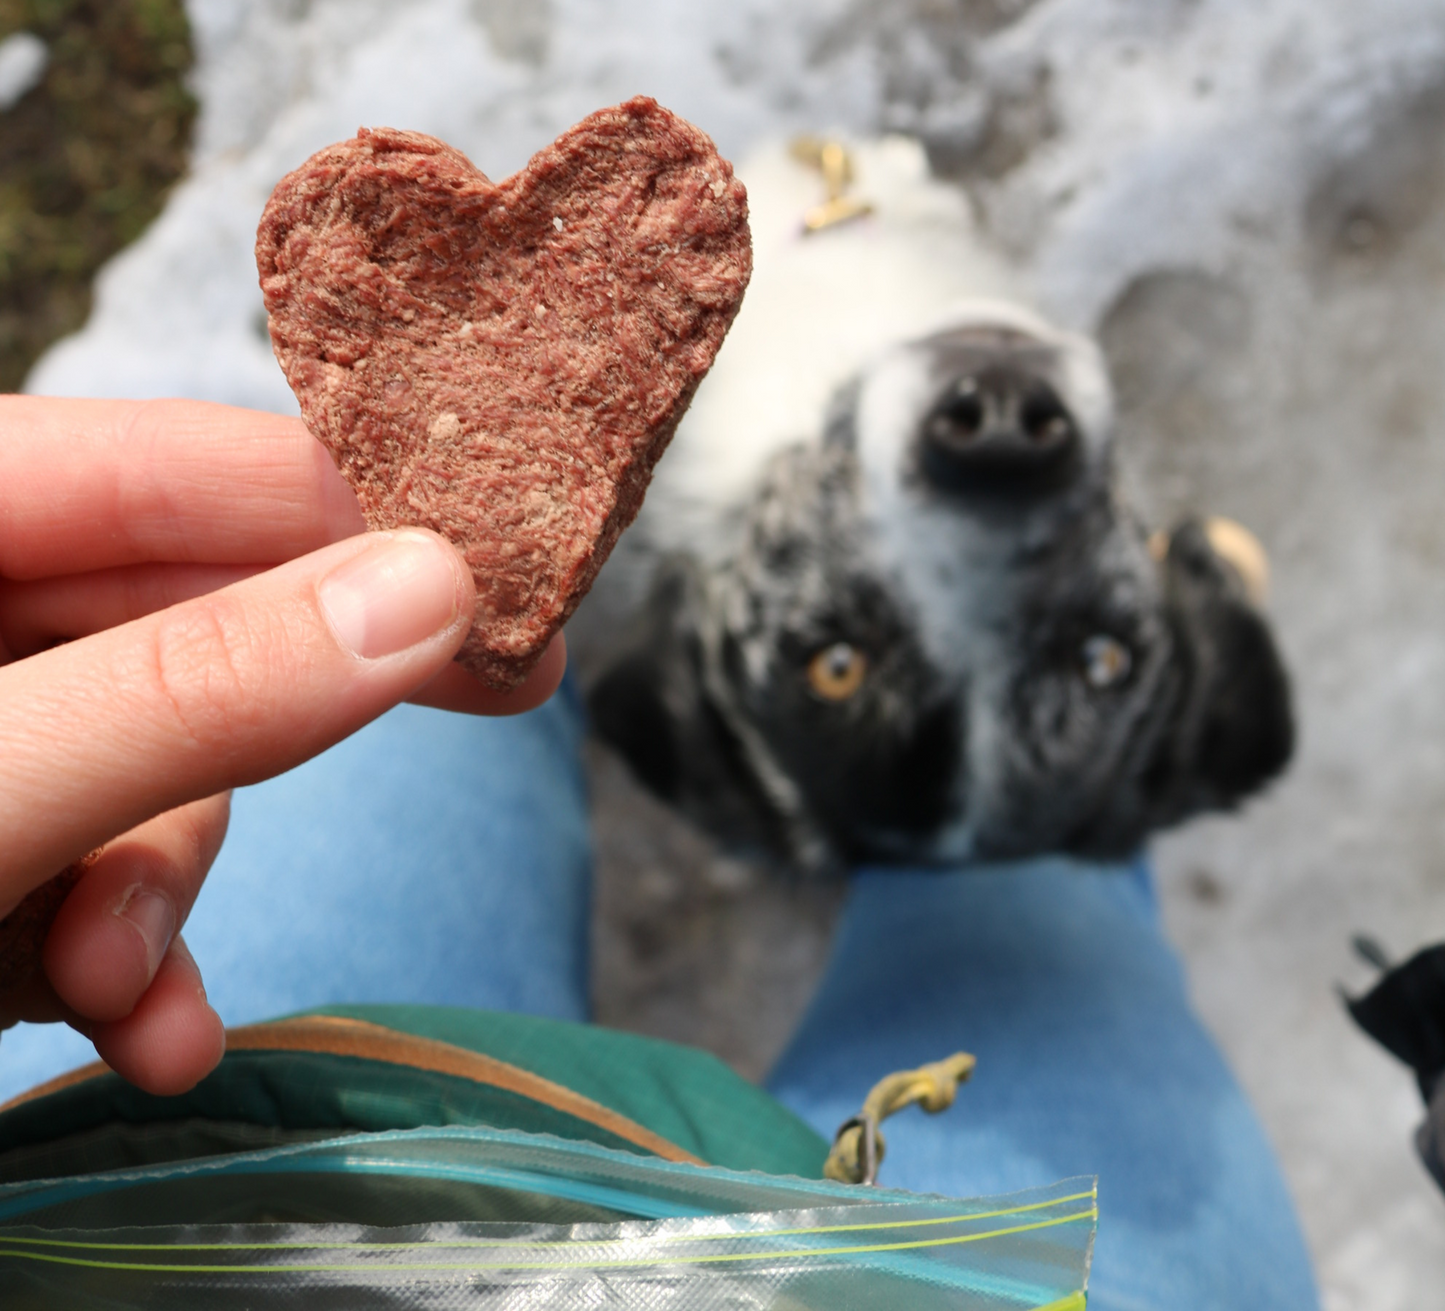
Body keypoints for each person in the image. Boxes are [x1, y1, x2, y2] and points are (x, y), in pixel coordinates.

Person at [0, 397, 1321, 1309]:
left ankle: (697, 624)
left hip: (119, 1194)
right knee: (1033, 874)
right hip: (918, 1287)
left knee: (376, 557)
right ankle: (1070, 694)